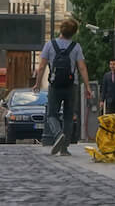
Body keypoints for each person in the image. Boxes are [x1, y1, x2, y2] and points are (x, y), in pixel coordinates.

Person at [33, 18, 93, 156]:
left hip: (55, 85)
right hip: (72, 85)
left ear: (61, 29)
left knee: (52, 114)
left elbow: (41, 67)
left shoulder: (50, 45)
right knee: (68, 116)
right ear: (74, 33)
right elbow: (82, 68)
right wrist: (88, 87)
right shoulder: (76, 47)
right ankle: (64, 148)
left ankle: (58, 134)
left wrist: (37, 83)